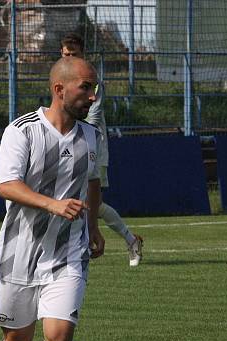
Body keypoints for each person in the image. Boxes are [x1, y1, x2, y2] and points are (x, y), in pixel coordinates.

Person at [0, 56, 105, 341]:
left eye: (94, 88)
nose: (93, 96)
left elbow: (92, 182)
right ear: (60, 89)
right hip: (19, 253)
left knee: (58, 336)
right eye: (86, 88)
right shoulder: (21, 131)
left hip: (68, 252)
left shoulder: (91, 136)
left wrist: (92, 227)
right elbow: (7, 185)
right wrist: (52, 204)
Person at [60, 32, 144, 267]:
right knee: (84, 203)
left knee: (90, 204)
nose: (69, 58)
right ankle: (129, 240)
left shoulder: (92, 82)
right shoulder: (61, 80)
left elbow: (91, 119)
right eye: (65, 54)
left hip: (93, 147)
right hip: (70, 144)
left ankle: (126, 240)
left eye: (73, 54)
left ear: (82, 55)